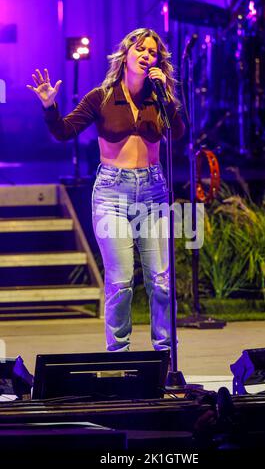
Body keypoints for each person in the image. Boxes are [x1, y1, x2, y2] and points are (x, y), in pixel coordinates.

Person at [27, 28, 185, 352]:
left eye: (152, 52)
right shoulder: (101, 96)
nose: (146, 56)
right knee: (121, 280)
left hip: (153, 191)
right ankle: (119, 356)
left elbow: (179, 134)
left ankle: (165, 358)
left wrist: (167, 96)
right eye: (140, 49)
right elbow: (63, 130)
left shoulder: (159, 97)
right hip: (112, 193)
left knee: (162, 281)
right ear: (125, 54)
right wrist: (49, 106)